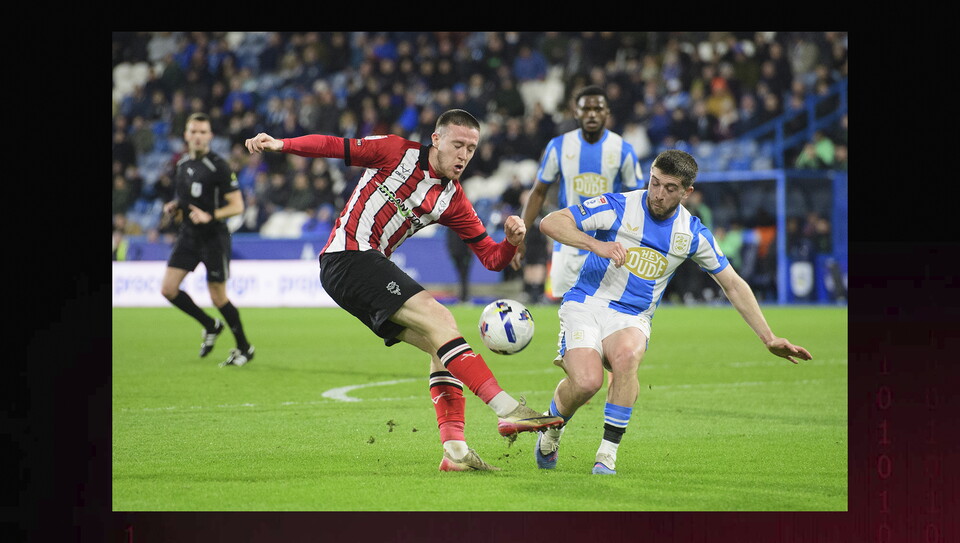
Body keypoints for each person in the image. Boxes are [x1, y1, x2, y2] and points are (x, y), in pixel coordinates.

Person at [244, 109, 563, 472]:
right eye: (458, 145)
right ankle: (508, 409)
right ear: (436, 139)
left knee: (442, 346)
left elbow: (491, 259)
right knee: (441, 319)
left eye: (471, 149)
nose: (464, 156)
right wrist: (281, 144)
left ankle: (455, 451)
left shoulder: (452, 199)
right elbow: (334, 146)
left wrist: (509, 243)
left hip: (357, 271)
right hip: (347, 256)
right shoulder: (395, 152)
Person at [535, 149, 813, 475]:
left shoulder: (692, 234)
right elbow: (551, 222)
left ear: (687, 192)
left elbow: (733, 285)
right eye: (654, 183)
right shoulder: (618, 206)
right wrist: (596, 245)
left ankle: (606, 456)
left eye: (669, 188)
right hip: (586, 303)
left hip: (632, 315)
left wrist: (769, 337)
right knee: (586, 383)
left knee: (627, 359)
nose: (658, 193)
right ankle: (552, 430)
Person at [512, 85, 643, 302]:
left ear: (607, 113)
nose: (591, 113)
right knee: (568, 318)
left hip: (609, 246)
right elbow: (538, 193)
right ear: (576, 112)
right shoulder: (558, 146)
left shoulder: (622, 149)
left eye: (598, 108)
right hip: (568, 245)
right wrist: (521, 236)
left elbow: (638, 196)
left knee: (608, 317)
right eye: (586, 108)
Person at [160, 112, 255, 368]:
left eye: (203, 132)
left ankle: (245, 348)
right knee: (168, 289)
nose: (198, 136)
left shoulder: (219, 166)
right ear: (186, 135)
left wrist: (210, 215)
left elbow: (237, 205)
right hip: (188, 236)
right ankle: (210, 324)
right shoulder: (181, 165)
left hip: (214, 238)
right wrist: (174, 208)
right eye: (194, 131)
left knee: (218, 297)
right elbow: (183, 202)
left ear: (210, 136)